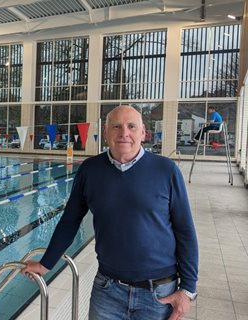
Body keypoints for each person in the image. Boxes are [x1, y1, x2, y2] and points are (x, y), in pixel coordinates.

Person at [21, 105, 198, 320]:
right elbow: (70, 221)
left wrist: (187, 290)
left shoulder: (166, 170)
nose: (124, 133)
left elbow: (185, 231)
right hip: (107, 290)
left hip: (158, 294)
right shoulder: (90, 170)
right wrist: (45, 263)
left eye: (131, 126)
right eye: (116, 126)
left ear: (143, 132)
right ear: (106, 133)